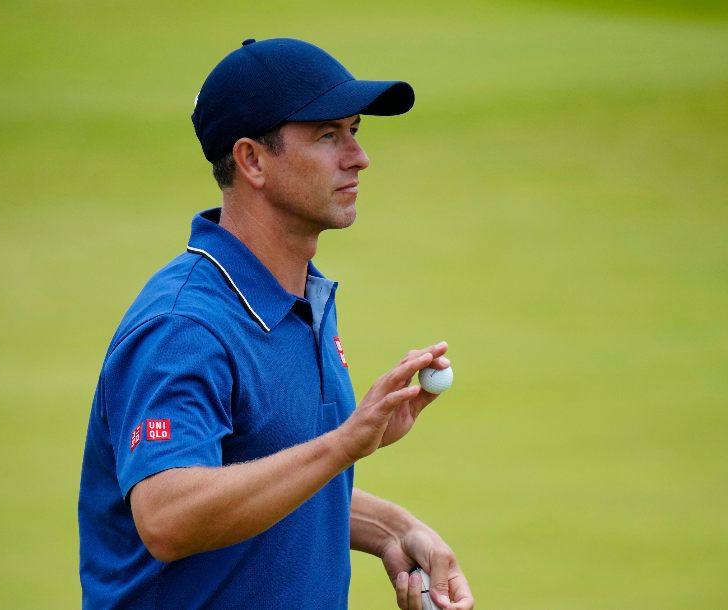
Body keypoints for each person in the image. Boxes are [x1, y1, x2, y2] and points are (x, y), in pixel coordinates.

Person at [78, 37, 474, 610]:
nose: (358, 157)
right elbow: (168, 516)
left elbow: (258, 470)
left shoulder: (301, 296)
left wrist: (389, 528)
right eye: (327, 136)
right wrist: (342, 445)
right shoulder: (184, 327)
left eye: (355, 131)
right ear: (252, 160)